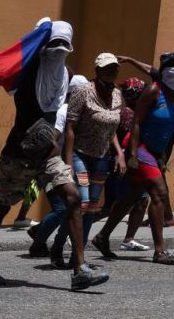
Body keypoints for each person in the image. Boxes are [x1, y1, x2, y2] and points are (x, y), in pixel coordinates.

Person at [0, 20, 110, 290]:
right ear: (44, 47)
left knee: (73, 197)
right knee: (2, 206)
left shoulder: (66, 75)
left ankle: (80, 268)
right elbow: (8, 77)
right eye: (53, 45)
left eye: (64, 46)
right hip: (20, 153)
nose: (58, 51)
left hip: (48, 154)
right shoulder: (27, 71)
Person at [92, 52, 174, 264]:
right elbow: (136, 122)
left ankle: (102, 236)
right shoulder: (154, 91)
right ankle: (160, 251)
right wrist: (134, 155)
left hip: (156, 153)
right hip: (140, 148)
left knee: (131, 197)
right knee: (159, 193)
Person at [51, 53, 126, 263]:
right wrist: (68, 162)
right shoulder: (84, 92)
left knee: (91, 208)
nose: (112, 71)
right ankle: (61, 248)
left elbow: (112, 130)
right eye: (107, 68)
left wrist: (119, 153)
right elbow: (71, 127)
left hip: (102, 157)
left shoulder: (118, 95)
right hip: (80, 155)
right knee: (81, 203)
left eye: (115, 68)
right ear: (98, 71)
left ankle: (76, 255)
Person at [26, 75, 88, 261]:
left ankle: (48, 237)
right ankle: (38, 243)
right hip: (54, 166)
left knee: (81, 205)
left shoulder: (83, 112)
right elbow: (53, 139)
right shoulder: (64, 112)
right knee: (61, 209)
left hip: (81, 168)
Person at [100, 77, 151, 252]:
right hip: (125, 163)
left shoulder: (132, 111)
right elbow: (128, 139)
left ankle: (128, 239)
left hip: (130, 161)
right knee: (113, 205)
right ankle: (73, 230)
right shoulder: (129, 113)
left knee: (140, 201)